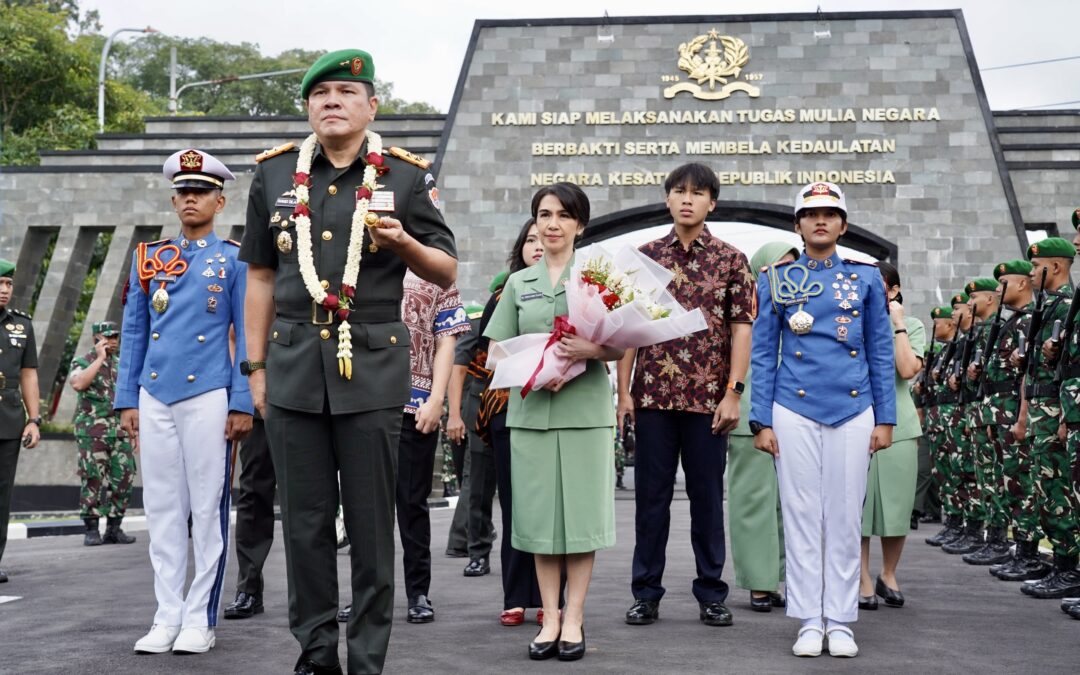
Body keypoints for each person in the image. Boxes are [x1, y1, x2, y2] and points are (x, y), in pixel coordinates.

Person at [240, 49, 456, 675]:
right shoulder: (277, 175)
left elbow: (445, 270)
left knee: (368, 525)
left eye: (344, 91)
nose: (331, 101)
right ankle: (315, 652)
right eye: (320, 93)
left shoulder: (407, 177)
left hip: (371, 367)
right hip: (291, 366)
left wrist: (405, 242)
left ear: (370, 106)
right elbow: (258, 276)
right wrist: (254, 369)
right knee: (303, 523)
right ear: (308, 107)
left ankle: (365, 658)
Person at [116, 148, 253, 655]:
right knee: (163, 507)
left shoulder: (235, 258)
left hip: (208, 391)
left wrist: (243, 402)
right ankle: (166, 614)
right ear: (174, 201)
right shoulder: (149, 257)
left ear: (220, 200)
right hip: (155, 392)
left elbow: (246, 332)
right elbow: (135, 330)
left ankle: (200, 617)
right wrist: (127, 396)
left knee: (207, 504)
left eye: (200, 191)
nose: (190, 198)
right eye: (183, 191)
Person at [750, 182, 895, 658]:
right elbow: (763, 351)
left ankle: (841, 619)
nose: (820, 221)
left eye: (830, 214)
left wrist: (885, 417)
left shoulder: (867, 275)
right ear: (797, 224)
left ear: (843, 225)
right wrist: (761, 420)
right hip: (793, 406)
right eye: (811, 214)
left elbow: (879, 350)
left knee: (845, 514)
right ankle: (809, 618)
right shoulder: (776, 277)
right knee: (801, 514)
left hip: (854, 407)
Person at [484, 183, 620, 662]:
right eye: (544, 214)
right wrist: (538, 368)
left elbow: (623, 343)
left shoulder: (601, 277)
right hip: (532, 413)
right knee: (541, 521)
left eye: (564, 215)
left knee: (580, 520)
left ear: (580, 225)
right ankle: (550, 616)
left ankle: (576, 616)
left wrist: (588, 353)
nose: (553, 224)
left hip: (584, 413)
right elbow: (496, 348)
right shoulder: (519, 283)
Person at [617, 162, 754, 630]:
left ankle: (712, 593)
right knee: (649, 502)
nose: (687, 199)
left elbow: (741, 330)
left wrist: (733, 392)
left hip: (708, 403)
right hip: (654, 398)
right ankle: (646, 593)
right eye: (679, 191)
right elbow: (629, 329)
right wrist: (624, 394)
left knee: (707, 500)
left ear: (711, 202)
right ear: (668, 199)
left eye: (697, 192)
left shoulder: (732, 259)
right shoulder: (646, 255)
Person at [471, 219, 546, 626]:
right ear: (520, 248)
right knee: (516, 505)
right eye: (529, 239)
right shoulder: (505, 293)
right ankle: (517, 595)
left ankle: (553, 599)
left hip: (559, 407)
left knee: (553, 507)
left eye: (542, 239)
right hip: (508, 408)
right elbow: (486, 357)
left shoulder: (577, 288)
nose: (537, 245)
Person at [727, 241, 796, 612]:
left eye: (791, 266)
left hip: (794, 415)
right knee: (753, 502)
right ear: (759, 271)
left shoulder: (803, 308)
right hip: (750, 414)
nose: (784, 273)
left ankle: (779, 577)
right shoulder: (743, 311)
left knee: (788, 505)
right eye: (777, 266)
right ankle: (758, 582)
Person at [858, 262, 924, 609]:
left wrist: (897, 325)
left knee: (896, 508)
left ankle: (888, 573)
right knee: (859, 506)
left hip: (900, 425)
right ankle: (863, 578)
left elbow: (907, 369)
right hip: (856, 422)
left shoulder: (911, 325)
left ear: (895, 291)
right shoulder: (851, 322)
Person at [1017, 237, 1079, 599]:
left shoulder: (1065, 305)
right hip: (1049, 407)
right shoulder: (1051, 307)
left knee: (1059, 492)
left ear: (1054, 267)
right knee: (1047, 490)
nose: (1030, 274)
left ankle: (1069, 569)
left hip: (1059, 409)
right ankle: (1063, 566)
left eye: (1037, 266)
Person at [68, 320, 136, 547]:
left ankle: (114, 528)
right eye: (108, 337)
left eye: (115, 337)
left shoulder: (122, 364)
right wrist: (99, 359)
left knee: (124, 479)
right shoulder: (83, 362)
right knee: (93, 479)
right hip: (92, 433)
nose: (113, 341)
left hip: (119, 433)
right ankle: (91, 529)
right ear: (96, 339)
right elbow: (78, 384)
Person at [0, 258, 42, 584]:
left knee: (2, 496)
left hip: (8, 421)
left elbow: (28, 374)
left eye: (8, 284)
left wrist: (34, 419)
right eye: (0, 283)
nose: (4, 290)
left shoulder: (22, 325)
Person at [223, 411, 275, 619]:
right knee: (253, 493)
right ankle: (248, 587)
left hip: (304, 402)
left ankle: (310, 593)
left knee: (304, 501)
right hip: (260, 407)